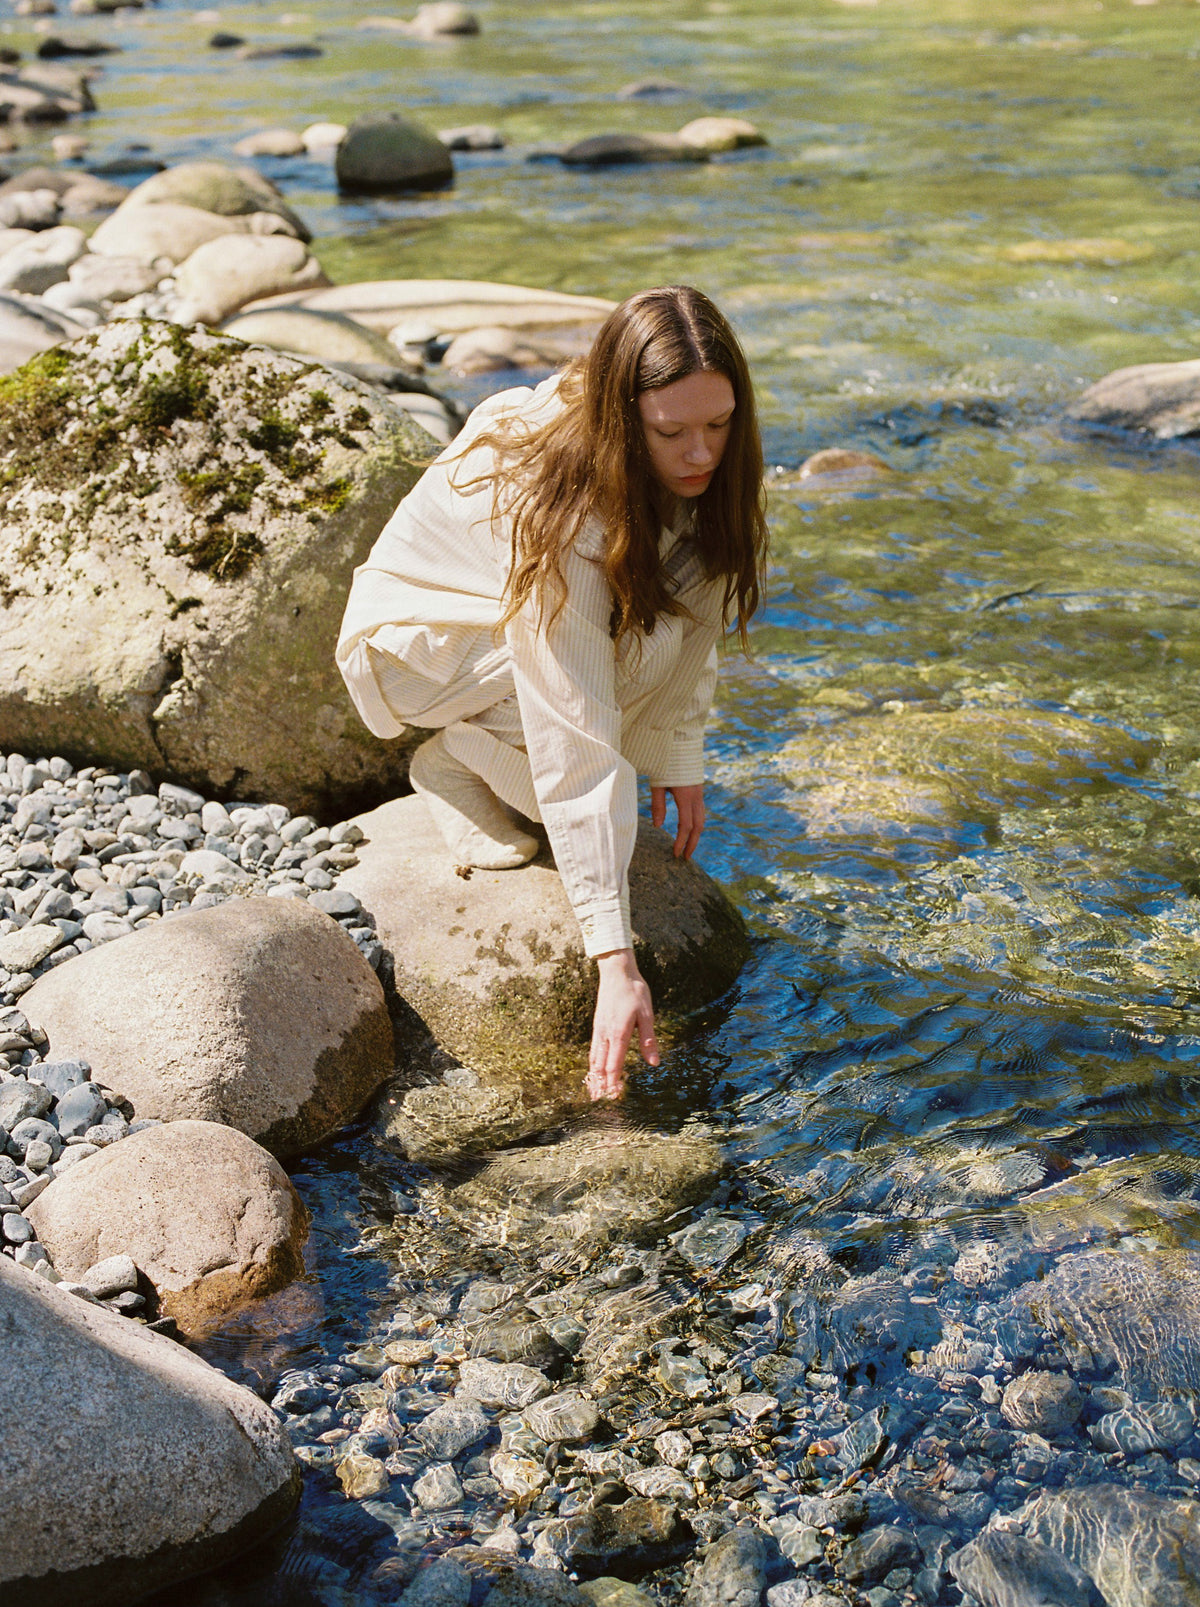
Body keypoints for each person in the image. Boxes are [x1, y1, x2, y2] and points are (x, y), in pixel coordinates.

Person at [336, 284, 768, 1099]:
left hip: (489, 639)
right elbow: (574, 725)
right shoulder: (565, 500)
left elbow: (699, 609)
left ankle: (493, 751)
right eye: (671, 432)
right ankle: (455, 758)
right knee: (603, 708)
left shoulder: (702, 464)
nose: (701, 452)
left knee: (641, 654)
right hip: (411, 651)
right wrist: (615, 958)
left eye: (719, 424)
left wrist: (680, 756)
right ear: (621, 418)